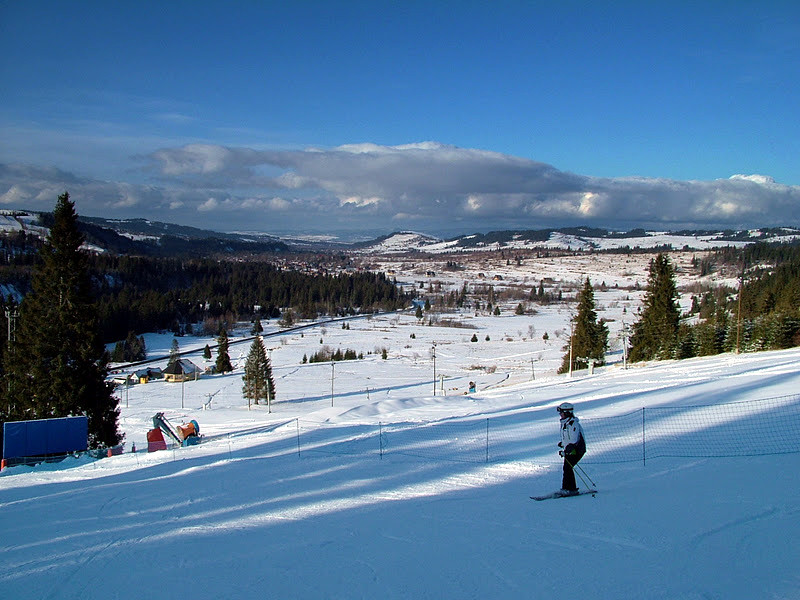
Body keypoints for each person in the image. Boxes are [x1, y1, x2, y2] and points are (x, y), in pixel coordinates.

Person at [557, 402, 586, 495]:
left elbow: (574, 439)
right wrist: (563, 444)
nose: (560, 414)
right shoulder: (565, 423)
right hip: (570, 450)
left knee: (568, 468)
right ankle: (567, 488)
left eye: (561, 412)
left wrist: (568, 448)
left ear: (567, 412)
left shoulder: (573, 424)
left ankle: (570, 489)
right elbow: (567, 437)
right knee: (567, 468)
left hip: (577, 450)